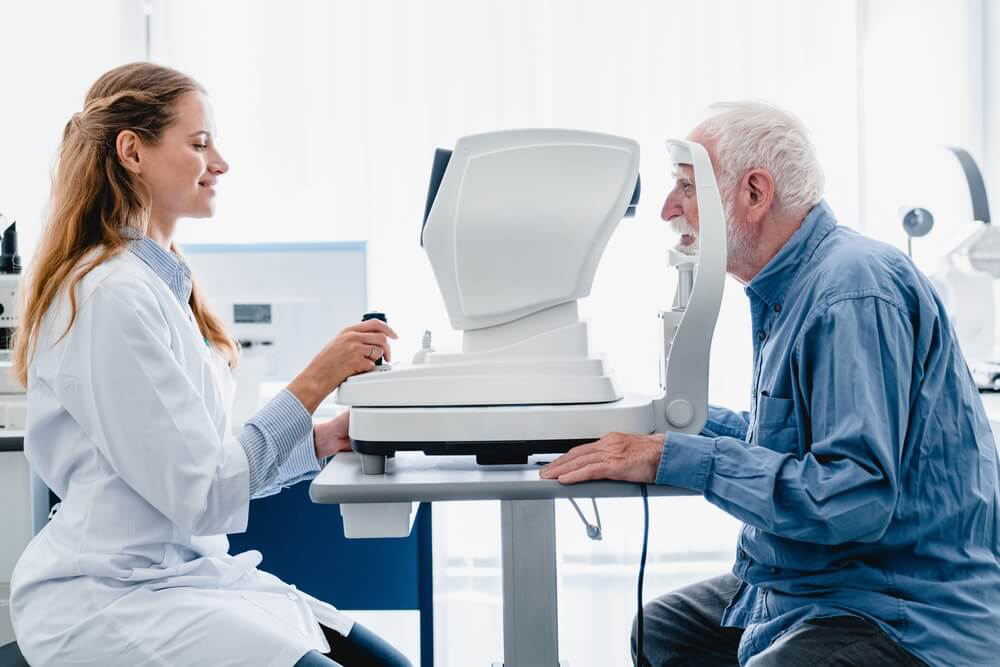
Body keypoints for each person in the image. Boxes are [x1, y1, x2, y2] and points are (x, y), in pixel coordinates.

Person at [541, 101, 1000, 666]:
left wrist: (677, 457)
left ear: (754, 194)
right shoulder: (791, 289)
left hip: (899, 605)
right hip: (814, 585)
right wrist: (657, 423)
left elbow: (851, 497)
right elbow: (787, 442)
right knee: (661, 632)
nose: (666, 209)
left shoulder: (849, 291)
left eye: (686, 187)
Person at [9, 62, 410, 667]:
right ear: (132, 151)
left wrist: (320, 440)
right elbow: (201, 490)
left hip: (184, 576)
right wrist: (314, 382)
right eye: (199, 144)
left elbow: (206, 469)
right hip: (112, 596)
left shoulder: (157, 286)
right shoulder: (110, 296)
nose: (219, 163)